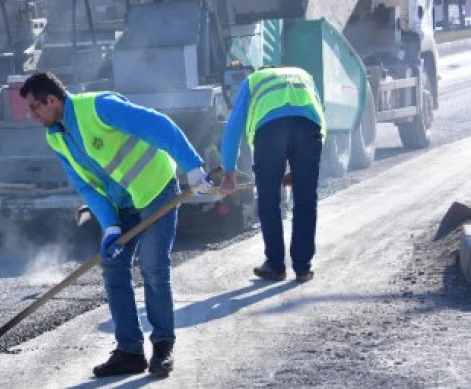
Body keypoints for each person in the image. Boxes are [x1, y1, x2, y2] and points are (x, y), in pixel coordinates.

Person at [19, 72, 214, 378]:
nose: (32, 116)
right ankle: (129, 352)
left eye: (34, 107)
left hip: (155, 190)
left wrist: (192, 166)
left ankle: (163, 347)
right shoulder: (55, 136)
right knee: (113, 266)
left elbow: (159, 125)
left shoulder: (99, 108)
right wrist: (110, 226)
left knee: (152, 266)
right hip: (123, 204)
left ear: (52, 100)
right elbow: (86, 187)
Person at [219, 66, 325, 284]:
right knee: (306, 200)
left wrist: (228, 171)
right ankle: (303, 267)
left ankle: (275, 265)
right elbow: (321, 116)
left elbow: (233, 129)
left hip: (270, 133)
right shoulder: (304, 75)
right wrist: (302, 168)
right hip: (309, 130)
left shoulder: (253, 80)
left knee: (269, 200)